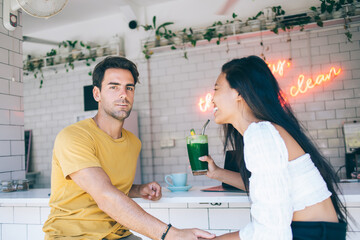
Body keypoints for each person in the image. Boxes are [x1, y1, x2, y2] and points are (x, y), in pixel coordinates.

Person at [43, 56, 215, 240]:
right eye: (113, 87)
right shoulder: (74, 137)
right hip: (72, 236)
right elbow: (105, 195)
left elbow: (112, 184)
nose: (123, 94)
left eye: (129, 88)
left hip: (119, 235)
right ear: (97, 94)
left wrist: (138, 189)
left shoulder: (133, 143)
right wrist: (171, 235)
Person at [199, 55, 348, 240]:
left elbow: (270, 232)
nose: (212, 99)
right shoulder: (265, 131)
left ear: (239, 93)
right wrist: (217, 173)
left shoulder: (260, 134)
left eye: (216, 89)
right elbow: (268, 189)